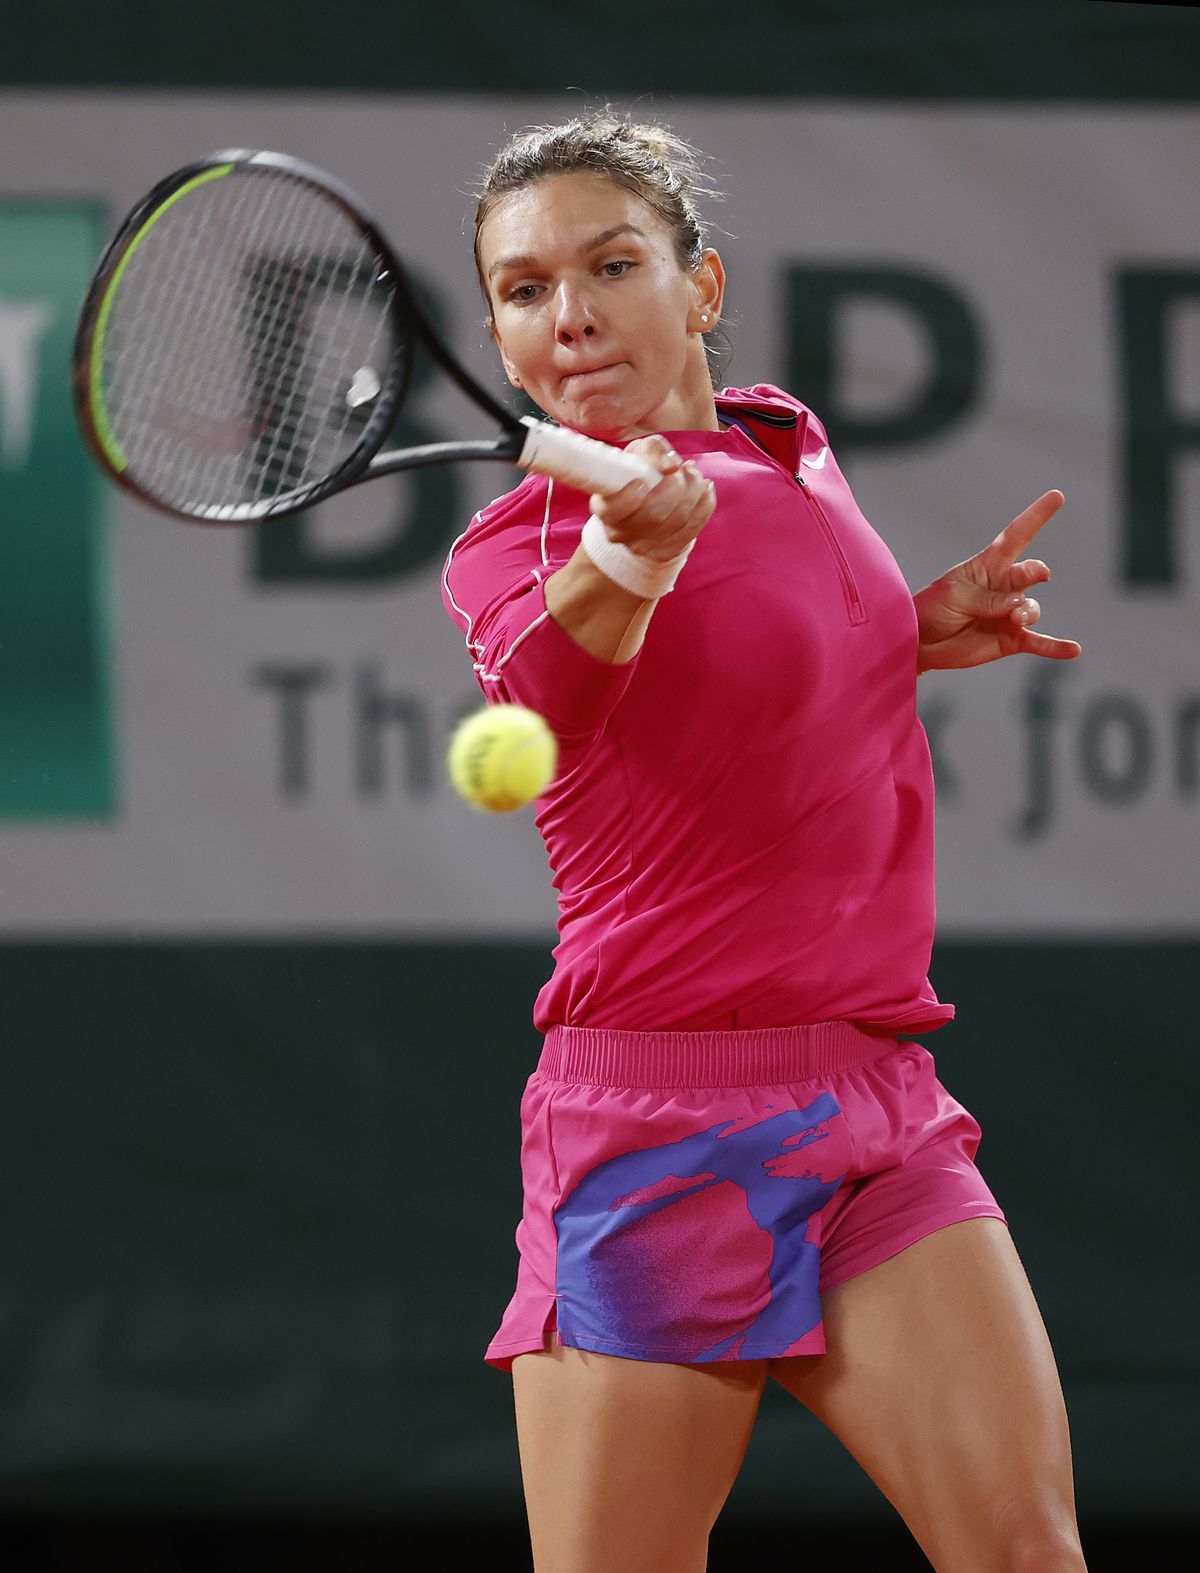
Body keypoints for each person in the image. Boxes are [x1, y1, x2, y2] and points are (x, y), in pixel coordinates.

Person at [441, 110, 1088, 1573]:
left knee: (1026, 1553)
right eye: (526, 289)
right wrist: (627, 555)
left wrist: (904, 634)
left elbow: (764, 654)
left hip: (872, 1102)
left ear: (704, 286)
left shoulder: (786, 444)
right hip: (652, 1130)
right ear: (497, 329)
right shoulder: (519, 546)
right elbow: (553, 677)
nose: (573, 314)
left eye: (611, 264)